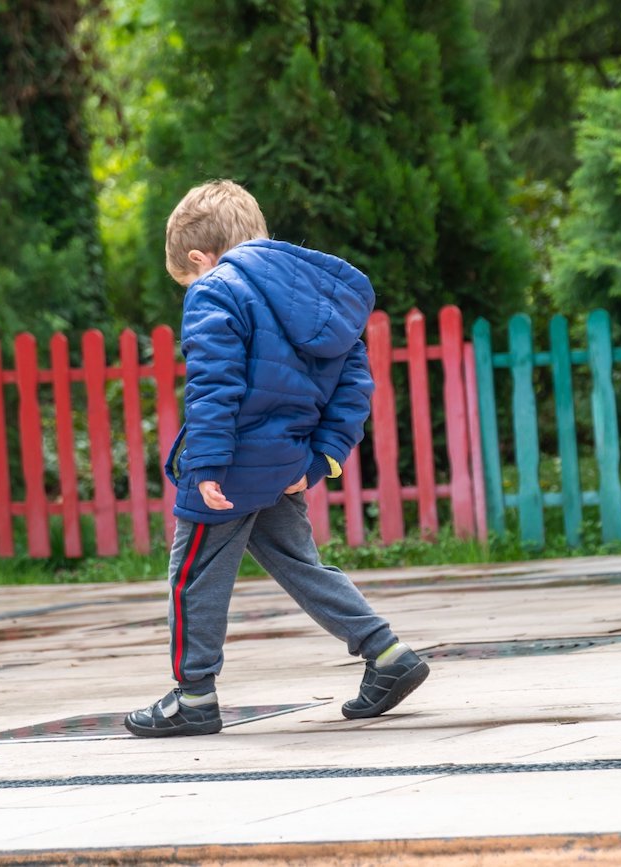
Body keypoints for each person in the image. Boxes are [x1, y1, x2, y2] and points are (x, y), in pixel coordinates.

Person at [124, 180, 429, 738]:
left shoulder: (216, 290)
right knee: (298, 563)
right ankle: (387, 656)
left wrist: (209, 465)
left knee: (192, 577)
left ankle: (193, 696)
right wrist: (317, 463)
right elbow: (354, 386)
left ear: (200, 258)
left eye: (187, 278)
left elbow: (216, 384)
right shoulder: (320, 298)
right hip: (285, 465)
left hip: (230, 466)